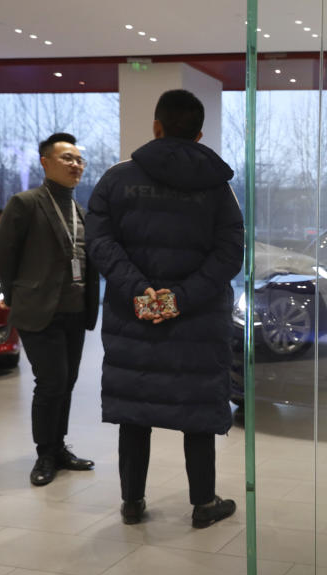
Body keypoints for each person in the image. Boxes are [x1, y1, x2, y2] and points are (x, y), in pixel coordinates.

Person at [86, 89, 244, 529]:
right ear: (198, 133)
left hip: (134, 318)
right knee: (197, 412)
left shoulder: (116, 181)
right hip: (197, 321)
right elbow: (229, 255)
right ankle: (203, 503)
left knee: (136, 411)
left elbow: (100, 243)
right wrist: (179, 298)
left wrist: (141, 292)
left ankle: (133, 504)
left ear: (156, 127)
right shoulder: (218, 187)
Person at [0, 133, 99, 486]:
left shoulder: (78, 209)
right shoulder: (26, 203)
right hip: (39, 310)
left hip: (74, 311)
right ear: (45, 161)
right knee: (50, 383)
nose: (75, 165)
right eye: (67, 158)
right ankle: (44, 455)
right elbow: (3, 256)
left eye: (79, 160)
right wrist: (16, 294)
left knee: (66, 383)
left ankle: (59, 447)